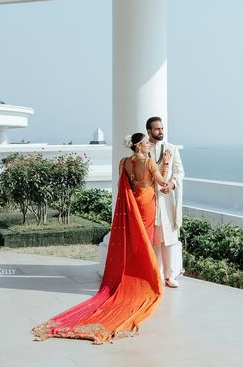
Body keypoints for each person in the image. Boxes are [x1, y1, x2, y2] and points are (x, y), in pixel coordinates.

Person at [32, 132, 167, 345]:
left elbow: (121, 187)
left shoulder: (124, 162)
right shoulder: (150, 163)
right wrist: (167, 171)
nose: (149, 146)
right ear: (139, 146)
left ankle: (132, 274)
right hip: (147, 203)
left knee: (133, 240)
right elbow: (162, 184)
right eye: (145, 144)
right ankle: (143, 278)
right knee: (145, 242)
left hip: (133, 205)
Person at [146, 116, 185, 288]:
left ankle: (169, 276)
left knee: (167, 239)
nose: (161, 131)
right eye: (157, 129)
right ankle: (154, 276)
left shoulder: (172, 149)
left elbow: (180, 172)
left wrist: (172, 184)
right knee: (153, 240)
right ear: (149, 131)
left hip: (167, 202)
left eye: (162, 128)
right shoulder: (142, 149)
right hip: (149, 201)